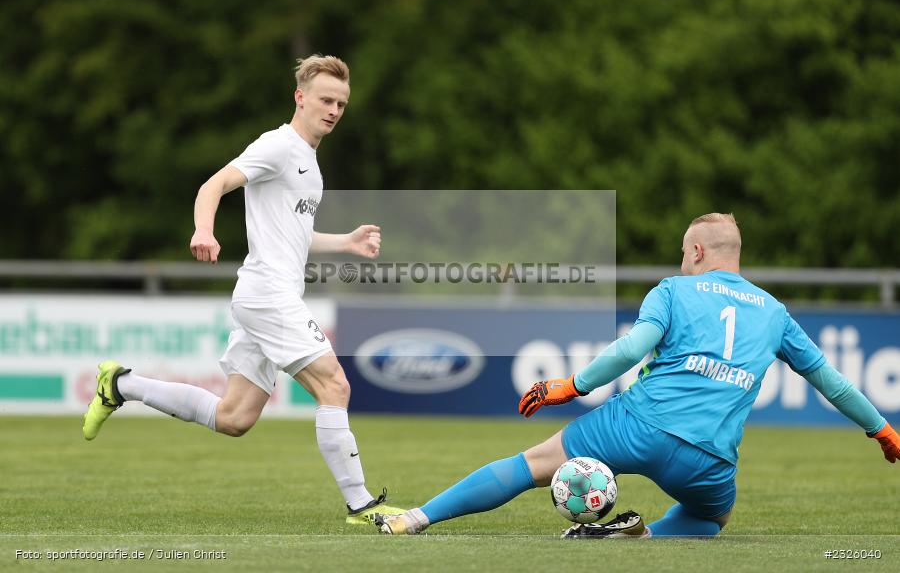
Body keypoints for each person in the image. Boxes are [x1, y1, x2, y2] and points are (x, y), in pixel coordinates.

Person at [374, 213, 900, 537]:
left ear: (696, 252)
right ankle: (642, 536)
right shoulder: (775, 312)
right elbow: (831, 381)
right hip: (708, 457)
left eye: (683, 252)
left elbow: (633, 347)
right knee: (714, 519)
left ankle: (415, 518)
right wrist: (881, 429)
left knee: (531, 464)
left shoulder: (674, 288)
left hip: (635, 426)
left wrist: (571, 386)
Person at [82, 54, 406, 525]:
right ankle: (362, 505)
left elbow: (294, 235)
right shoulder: (278, 146)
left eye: (341, 103)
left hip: (266, 297)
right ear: (300, 97)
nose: (334, 110)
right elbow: (212, 186)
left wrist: (346, 242)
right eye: (325, 100)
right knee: (335, 385)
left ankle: (120, 384)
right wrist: (204, 231)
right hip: (268, 295)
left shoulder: (310, 166)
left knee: (234, 417)